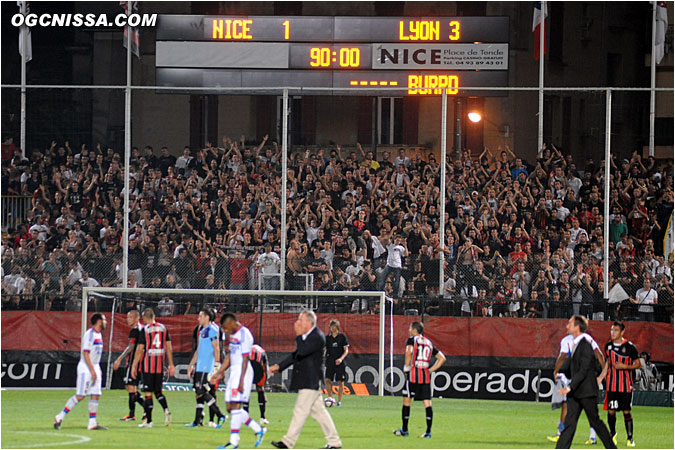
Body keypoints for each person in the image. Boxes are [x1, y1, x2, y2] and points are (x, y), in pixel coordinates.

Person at [268, 310, 342, 449]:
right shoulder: (308, 336)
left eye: (300, 320)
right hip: (307, 379)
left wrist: (298, 335)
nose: (297, 323)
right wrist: (279, 366)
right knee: (320, 413)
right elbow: (296, 355)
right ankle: (335, 443)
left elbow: (301, 352)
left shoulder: (317, 337)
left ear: (309, 322)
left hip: (310, 379)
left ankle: (288, 443)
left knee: (300, 411)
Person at [555, 316, 616, 449]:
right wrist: (559, 372)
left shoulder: (586, 345)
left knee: (596, 422)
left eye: (569, 324)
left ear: (577, 327)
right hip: (576, 393)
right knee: (569, 425)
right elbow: (570, 365)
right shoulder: (575, 343)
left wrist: (569, 387)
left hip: (587, 392)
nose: (567, 326)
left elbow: (583, 371)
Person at [210, 312, 266, 449]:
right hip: (234, 372)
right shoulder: (234, 335)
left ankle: (233, 442)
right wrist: (219, 372)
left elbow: (246, 359)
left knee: (236, 406)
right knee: (230, 408)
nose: (225, 331)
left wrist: (241, 381)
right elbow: (230, 356)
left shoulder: (245, 334)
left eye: (225, 328)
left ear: (232, 323)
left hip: (243, 373)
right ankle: (258, 430)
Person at [548, 325, 606, 444]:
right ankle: (591, 437)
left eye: (570, 324)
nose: (567, 327)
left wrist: (556, 371)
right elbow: (599, 355)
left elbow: (563, 356)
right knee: (585, 408)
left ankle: (562, 434)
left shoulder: (570, 340)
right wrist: (603, 373)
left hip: (577, 377)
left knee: (569, 405)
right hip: (583, 377)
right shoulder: (588, 339)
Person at [54, 313, 108, 430]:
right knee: (80, 395)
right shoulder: (90, 334)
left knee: (95, 394)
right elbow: (86, 352)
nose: (105, 322)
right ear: (98, 321)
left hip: (95, 367)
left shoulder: (99, 335)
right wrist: (92, 370)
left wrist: (97, 370)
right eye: (104, 320)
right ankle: (59, 416)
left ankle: (92, 423)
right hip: (86, 368)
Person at [394, 321, 446, 439]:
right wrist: (431, 370)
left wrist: (406, 367)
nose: (408, 330)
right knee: (427, 403)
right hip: (424, 374)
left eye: (410, 328)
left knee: (407, 400)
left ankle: (405, 430)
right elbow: (442, 358)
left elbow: (409, 352)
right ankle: (428, 432)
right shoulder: (429, 342)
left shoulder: (412, 340)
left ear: (414, 330)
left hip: (413, 373)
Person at [131, 308, 175, 428]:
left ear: (145, 318)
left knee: (148, 393)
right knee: (158, 392)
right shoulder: (163, 328)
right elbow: (169, 348)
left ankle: (149, 421)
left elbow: (140, 350)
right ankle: (166, 409)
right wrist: (171, 364)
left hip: (148, 366)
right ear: (154, 316)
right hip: (160, 366)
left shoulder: (145, 330)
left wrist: (134, 366)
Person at [598, 321, 640, 447]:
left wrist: (624, 366)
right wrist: (601, 377)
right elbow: (607, 364)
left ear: (622, 332)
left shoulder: (630, 347)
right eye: (611, 330)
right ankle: (613, 434)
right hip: (611, 386)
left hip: (625, 386)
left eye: (616, 330)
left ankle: (630, 438)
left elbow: (638, 364)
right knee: (611, 411)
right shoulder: (608, 346)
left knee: (626, 411)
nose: (613, 332)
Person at [185, 308, 227, 428]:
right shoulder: (202, 330)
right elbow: (198, 350)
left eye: (200, 316)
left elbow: (216, 348)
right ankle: (197, 421)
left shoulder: (213, 330)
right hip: (199, 366)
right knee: (198, 393)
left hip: (206, 366)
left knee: (201, 391)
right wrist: (191, 365)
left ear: (207, 317)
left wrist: (216, 365)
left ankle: (220, 415)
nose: (198, 318)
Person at [112, 309, 145, 421]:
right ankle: (145, 408)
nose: (128, 320)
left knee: (131, 387)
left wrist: (119, 359)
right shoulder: (142, 329)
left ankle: (133, 414)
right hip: (141, 362)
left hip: (133, 362)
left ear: (137, 318)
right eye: (127, 317)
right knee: (130, 387)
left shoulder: (135, 330)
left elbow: (130, 347)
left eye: (131, 317)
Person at [324, 319, 349, 407]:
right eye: (331, 326)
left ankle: (339, 401)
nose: (332, 328)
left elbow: (346, 350)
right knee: (327, 379)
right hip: (330, 361)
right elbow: (325, 350)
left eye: (334, 326)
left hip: (340, 362)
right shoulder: (327, 338)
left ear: (337, 327)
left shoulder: (342, 337)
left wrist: (341, 359)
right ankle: (330, 398)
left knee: (340, 381)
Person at [246, 344, 270, 425]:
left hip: (248, 365)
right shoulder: (262, 353)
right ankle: (262, 417)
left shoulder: (248, 349)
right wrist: (264, 389)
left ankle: (245, 416)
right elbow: (265, 369)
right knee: (260, 389)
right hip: (257, 365)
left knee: (247, 390)